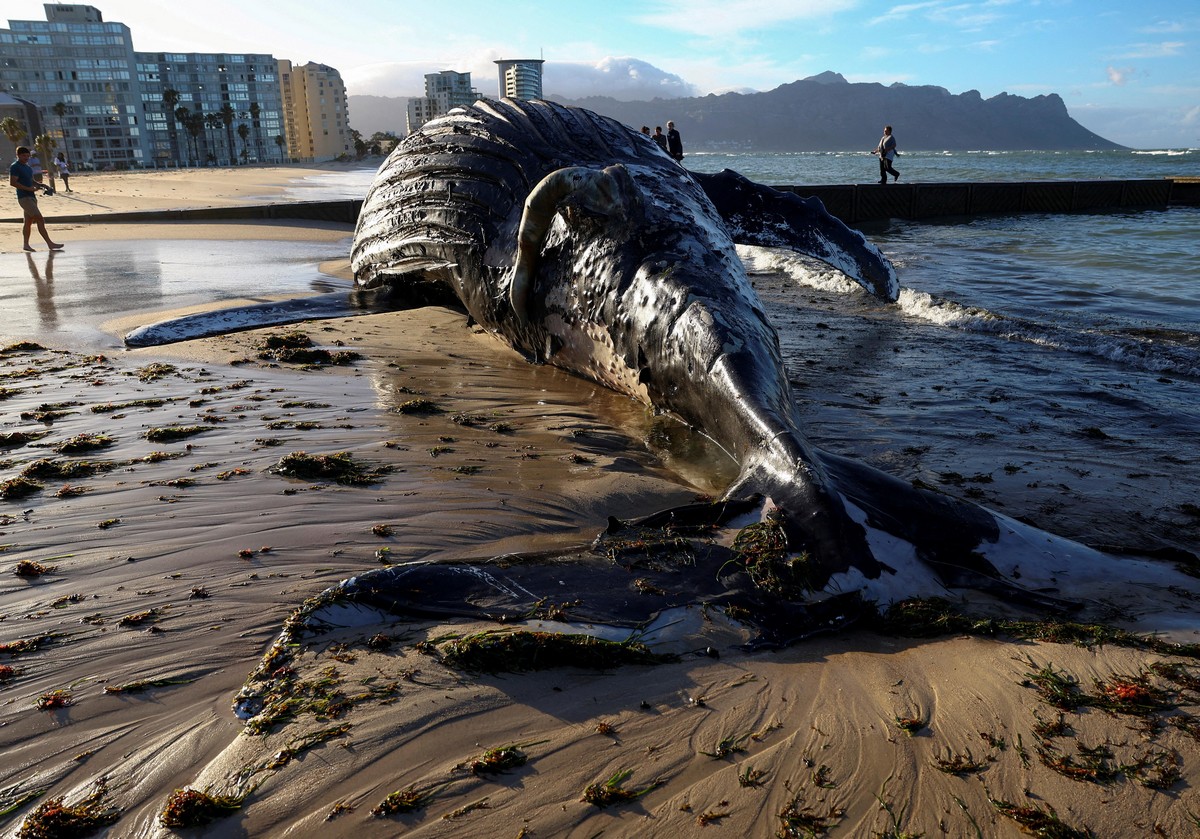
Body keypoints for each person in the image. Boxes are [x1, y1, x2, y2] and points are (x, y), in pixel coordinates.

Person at [10, 146, 64, 252]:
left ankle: (26, 245)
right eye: (23, 156)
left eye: (27, 156)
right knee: (40, 218)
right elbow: (13, 183)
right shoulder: (15, 166)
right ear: (18, 155)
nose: (26, 158)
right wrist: (28, 188)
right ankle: (50, 243)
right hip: (24, 197)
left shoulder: (28, 168)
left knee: (28, 221)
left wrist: (43, 185)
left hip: (31, 197)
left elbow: (32, 181)